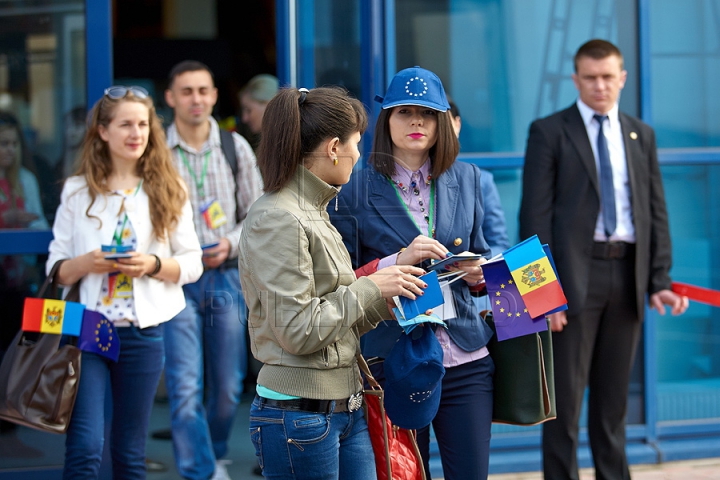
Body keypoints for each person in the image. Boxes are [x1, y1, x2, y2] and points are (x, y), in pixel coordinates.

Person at [519, 39, 689, 480]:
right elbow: (533, 217)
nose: (600, 86)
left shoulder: (640, 133)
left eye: (608, 77)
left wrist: (660, 279)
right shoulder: (549, 131)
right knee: (565, 408)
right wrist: (541, 295)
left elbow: (654, 210)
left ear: (622, 78)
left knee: (613, 406)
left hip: (627, 277)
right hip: (573, 281)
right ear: (576, 79)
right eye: (590, 78)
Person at [238, 86, 426, 480]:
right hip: (301, 417)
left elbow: (337, 317)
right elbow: (298, 330)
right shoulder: (279, 216)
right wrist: (373, 286)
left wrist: (393, 290)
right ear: (335, 147)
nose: (360, 155)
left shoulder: (313, 208)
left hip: (345, 406)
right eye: (358, 143)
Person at [330, 66, 495, 480]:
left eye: (427, 112)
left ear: (443, 122)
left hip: (466, 354)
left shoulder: (470, 179)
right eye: (404, 111)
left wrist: (479, 277)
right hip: (392, 357)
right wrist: (397, 260)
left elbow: (486, 263)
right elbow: (338, 278)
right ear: (387, 121)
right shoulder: (353, 188)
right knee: (404, 476)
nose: (417, 121)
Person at [46, 85, 203, 478]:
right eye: (125, 125)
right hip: (85, 328)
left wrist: (151, 264)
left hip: (142, 330)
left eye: (143, 124)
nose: (136, 133)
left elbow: (192, 264)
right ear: (102, 131)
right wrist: (87, 262)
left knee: (130, 452)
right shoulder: (76, 190)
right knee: (85, 446)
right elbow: (56, 269)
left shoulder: (169, 189)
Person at [162, 60, 263, 480]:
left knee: (226, 386)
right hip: (174, 280)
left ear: (215, 95)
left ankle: (215, 452)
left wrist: (229, 244)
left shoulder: (233, 147)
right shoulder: (156, 151)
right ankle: (198, 471)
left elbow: (257, 214)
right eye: (186, 91)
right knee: (185, 387)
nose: (196, 99)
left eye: (203, 90)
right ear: (170, 98)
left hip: (225, 277)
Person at [0, 112, 49, 363]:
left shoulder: (25, 179)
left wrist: (27, 221)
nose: (9, 150)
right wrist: (5, 219)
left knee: (21, 347)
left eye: (14, 143)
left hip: (23, 276)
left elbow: (41, 224)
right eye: (3, 144)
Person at [446, 98, 510, 257]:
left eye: (443, 124)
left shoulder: (481, 180)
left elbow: (500, 244)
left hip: (470, 277)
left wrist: (477, 261)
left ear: (457, 124)